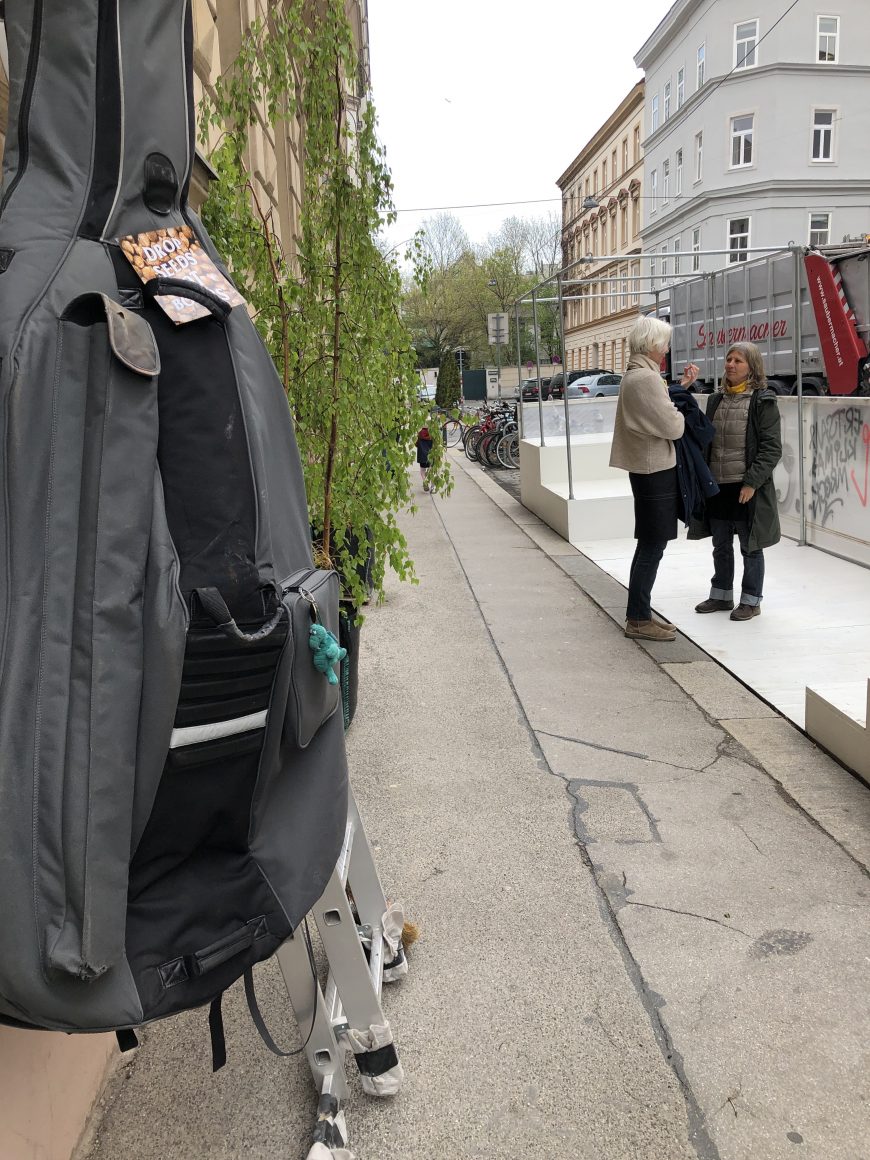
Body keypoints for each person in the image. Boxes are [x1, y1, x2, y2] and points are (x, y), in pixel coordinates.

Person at [609, 316, 699, 642]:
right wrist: (679, 412)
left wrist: (679, 389)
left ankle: (641, 613)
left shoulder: (637, 375)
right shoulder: (645, 378)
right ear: (653, 345)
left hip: (647, 468)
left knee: (650, 544)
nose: (667, 350)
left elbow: (657, 409)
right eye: (665, 344)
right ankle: (637, 619)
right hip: (654, 470)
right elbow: (673, 426)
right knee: (652, 545)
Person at [691, 342, 782, 621]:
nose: (730, 364)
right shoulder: (716, 399)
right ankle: (721, 595)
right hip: (717, 485)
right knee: (720, 545)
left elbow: (771, 449)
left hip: (745, 487)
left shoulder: (763, 401)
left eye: (738, 361)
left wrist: (751, 483)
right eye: (729, 359)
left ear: (752, 367)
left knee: (750, 547)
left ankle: (751, 601)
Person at [416, 425, 433, 492]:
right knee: (431, 470)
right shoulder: (432, 434)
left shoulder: (420, 434)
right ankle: (432, 487)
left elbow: (416, 444)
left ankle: (425, 481)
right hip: (430, 456)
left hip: (422, 456)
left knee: (422, 470)